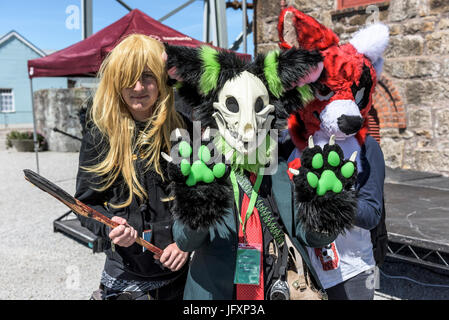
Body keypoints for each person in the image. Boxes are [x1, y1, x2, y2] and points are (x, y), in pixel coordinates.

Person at [74, 34, 189, 300]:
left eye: (148, 77)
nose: (138, 87)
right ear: (116, 80)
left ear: (162, 80)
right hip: (124, 272)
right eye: (129, 77)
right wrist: (108, 225)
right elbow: (85, 203)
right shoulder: (100, 135)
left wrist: (186, 242)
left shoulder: (183, 128)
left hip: (181, 273)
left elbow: (202, 196)